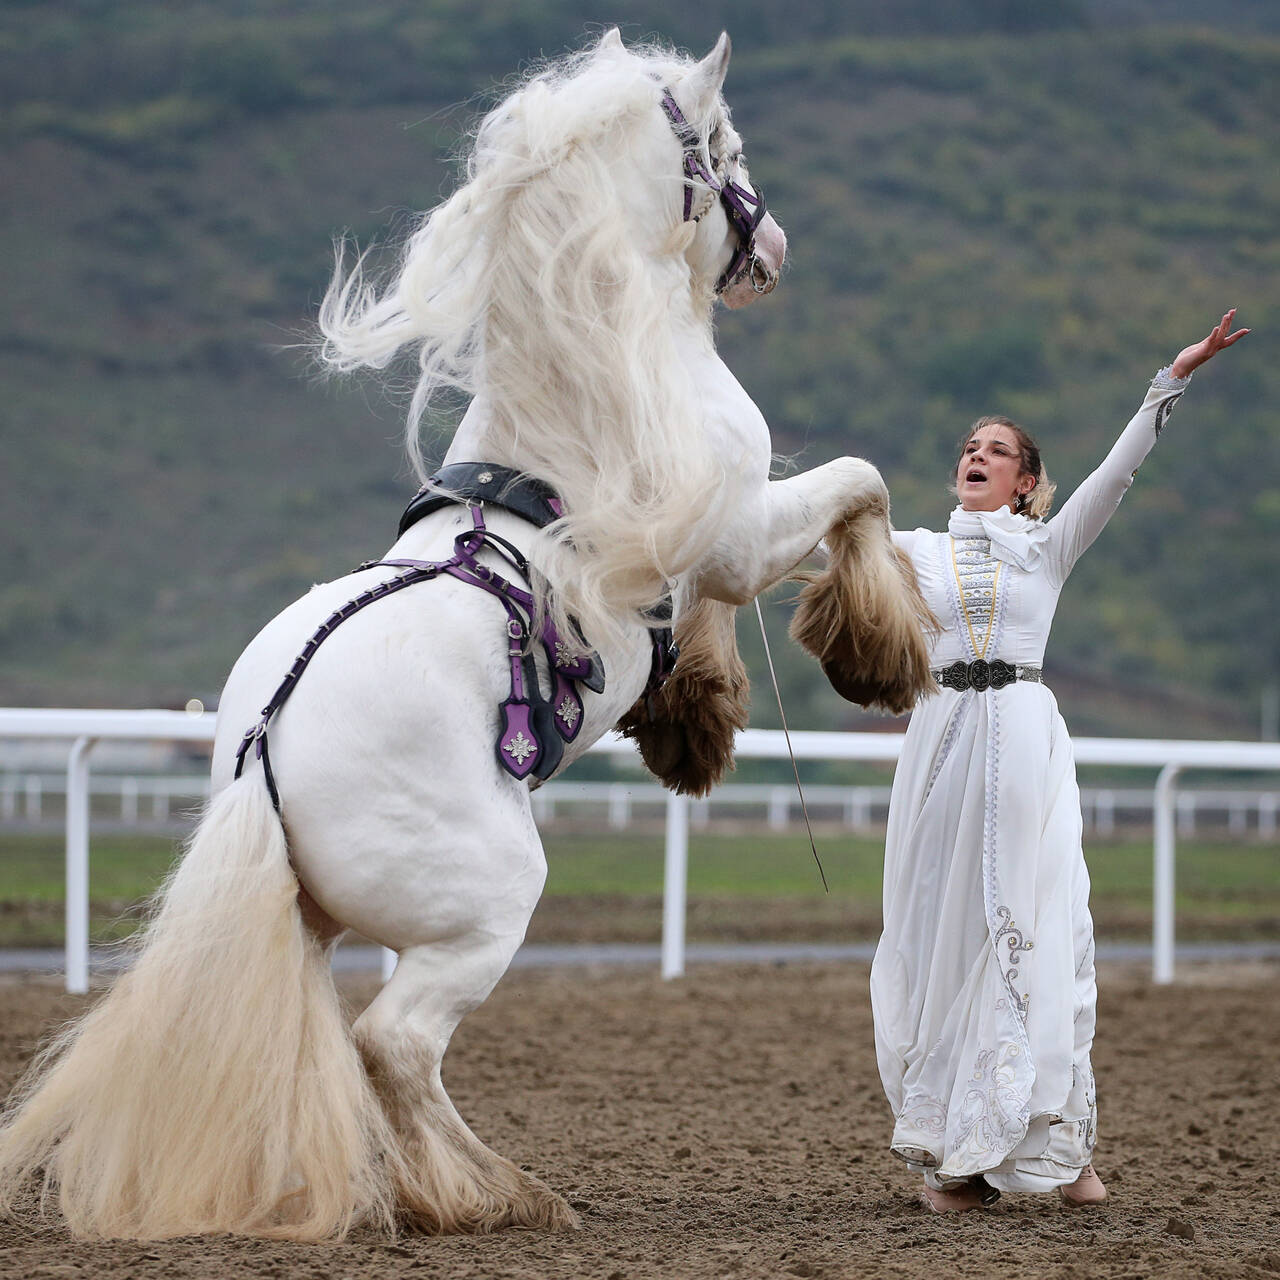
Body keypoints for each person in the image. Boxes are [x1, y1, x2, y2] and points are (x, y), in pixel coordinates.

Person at [869, 310, 1249, 1212]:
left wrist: (1173, 378)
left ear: (1027, 481)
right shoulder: (911, 552)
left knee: (1035, 930)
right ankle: (955, 1161)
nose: (977, 454)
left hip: (1025, 742)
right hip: (941, 742)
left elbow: (1119, 473)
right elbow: (808, 543)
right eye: (970, 445)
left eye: (996, 450)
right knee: (940, 932)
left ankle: (1057, 1152)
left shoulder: (1049, 546)